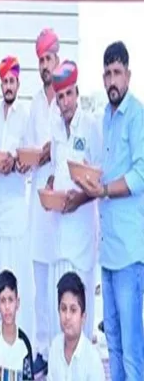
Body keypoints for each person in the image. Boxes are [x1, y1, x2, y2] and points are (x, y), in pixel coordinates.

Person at [77, 41, 144, 381]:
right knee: (113, 341)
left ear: (128, 75)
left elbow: (140, 174)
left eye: (117, 72)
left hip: (130, 251)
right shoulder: (105, 117)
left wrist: (102, 189)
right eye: (107, 74)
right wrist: (87, 179)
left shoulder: (137, 115)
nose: (112, 80)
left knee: (131, 349)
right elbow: (106, 171)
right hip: (108, 249)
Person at [45, 60, 101, 341]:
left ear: (76, 93)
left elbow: (100, 179)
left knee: (80, 311)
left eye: (69, 94)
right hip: (59, 233)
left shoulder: (91, 126)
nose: (65, 101)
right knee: (60, 313)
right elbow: (57, 170)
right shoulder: (55, 127)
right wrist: (50, 187)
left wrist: (79, 199)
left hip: (81, 234)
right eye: (60, 96)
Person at [0, 56, 35, 340]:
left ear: (18, 83)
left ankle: (19, 339)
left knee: (16, 274)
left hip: (16, 207)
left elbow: (30, 159)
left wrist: (15, 162)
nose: (7, 86)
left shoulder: (25, 116)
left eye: (11, 81)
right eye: (4, 81)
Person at [27, 28, 62, 374]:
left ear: (58, 58)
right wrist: (26, 158)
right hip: (37, 201)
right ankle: (41, 349)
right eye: (40, 60)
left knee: (59, 279)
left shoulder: (67, 96)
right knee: (39, 279)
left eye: (48, 58)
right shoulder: (35, 102)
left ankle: (62, 350)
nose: (44, 65)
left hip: (63, 203)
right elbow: (29, 148)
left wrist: (52, 151)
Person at [47, 272, 105, 380]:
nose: (67, 316)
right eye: (63, 309)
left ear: (83, 317)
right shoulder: (55, 347)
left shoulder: (92, 359)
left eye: (73, 310)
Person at [0, 270, 34, 380]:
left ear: (17, 303)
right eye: (3, 301)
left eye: (10, 300)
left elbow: (28, 378)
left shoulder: (24, 343)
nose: (7, 307)